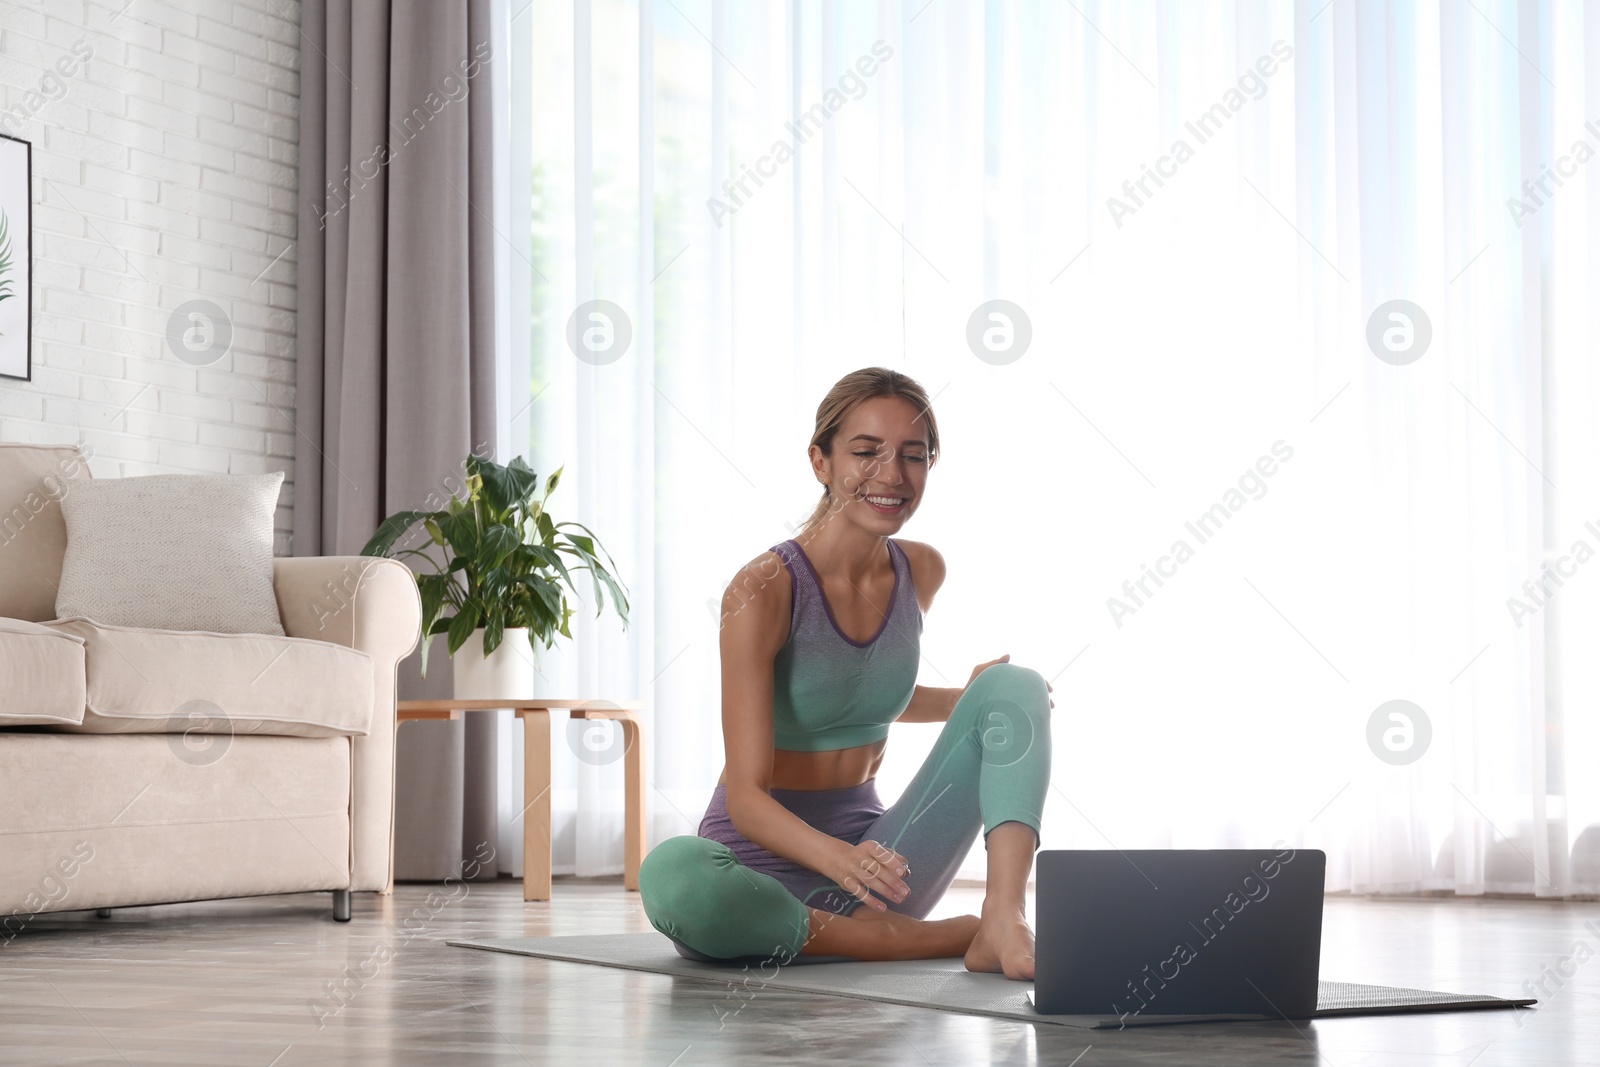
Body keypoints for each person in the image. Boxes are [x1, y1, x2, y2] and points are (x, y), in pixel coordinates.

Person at [638, 367, 1054, 980]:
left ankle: (1002, 915)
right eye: (866, 451)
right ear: (821, 462)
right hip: (761, 865)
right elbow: (748, 798)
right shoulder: (763, 589)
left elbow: (864, 689)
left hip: (880, 859)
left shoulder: (922, 570)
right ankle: (906, 940)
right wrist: (838, 861)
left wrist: (969, 701)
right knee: (675, 878)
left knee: (1015, 689)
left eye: (913, 455)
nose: (892, 473)